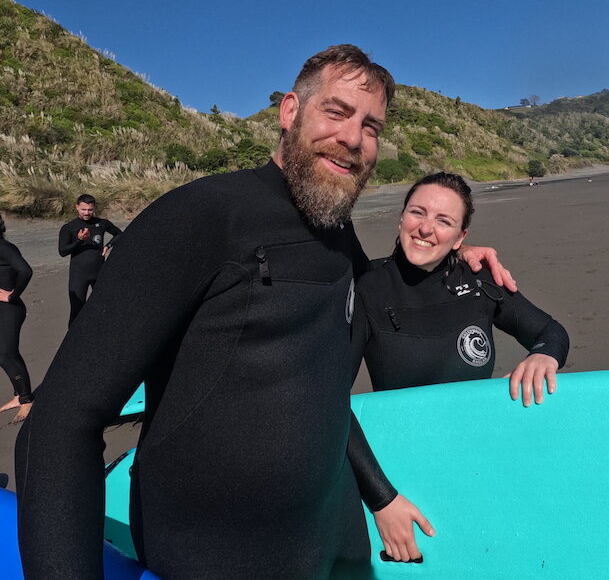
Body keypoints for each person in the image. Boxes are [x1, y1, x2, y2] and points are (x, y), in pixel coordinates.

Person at [16, 45, 512, 580]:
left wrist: (449, 258)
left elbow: (334, 327)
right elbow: (60, 424)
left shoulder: (336, 231)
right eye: (337, 112)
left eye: (372, 126)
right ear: (290, 112)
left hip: (331, 541)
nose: (352, 138)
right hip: (218, 555)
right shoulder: (201, 216)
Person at [351, 172, 570, 561]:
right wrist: (382, 500)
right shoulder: (367, 287)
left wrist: (543, 355)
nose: (425, 228)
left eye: (444, 221)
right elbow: (329, 396)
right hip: (400, 473)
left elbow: (550, 331)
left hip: (478, 463)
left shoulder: (481, 280)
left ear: (461, 236)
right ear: (401, 218)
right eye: (417, 212)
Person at [58, 195, 122, 325]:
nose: (87, 213)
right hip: (79, 275)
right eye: (83, 209)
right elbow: (62, 251)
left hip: (99, 272)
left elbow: (119, 234)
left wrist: (108, 246)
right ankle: (73, 342)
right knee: (77, 310)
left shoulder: (102, 223)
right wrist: (79, 240)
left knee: (104, 306)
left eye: (90, 210)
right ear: (77, 207)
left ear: (94, 208)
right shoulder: (69, 227)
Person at [0, 215, 34, 424]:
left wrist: (11, 295)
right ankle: (18, 395)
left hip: (10, 309)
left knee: (5, 354)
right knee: (5, 353)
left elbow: (25, 270)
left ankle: (26, 400)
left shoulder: (4, 247)